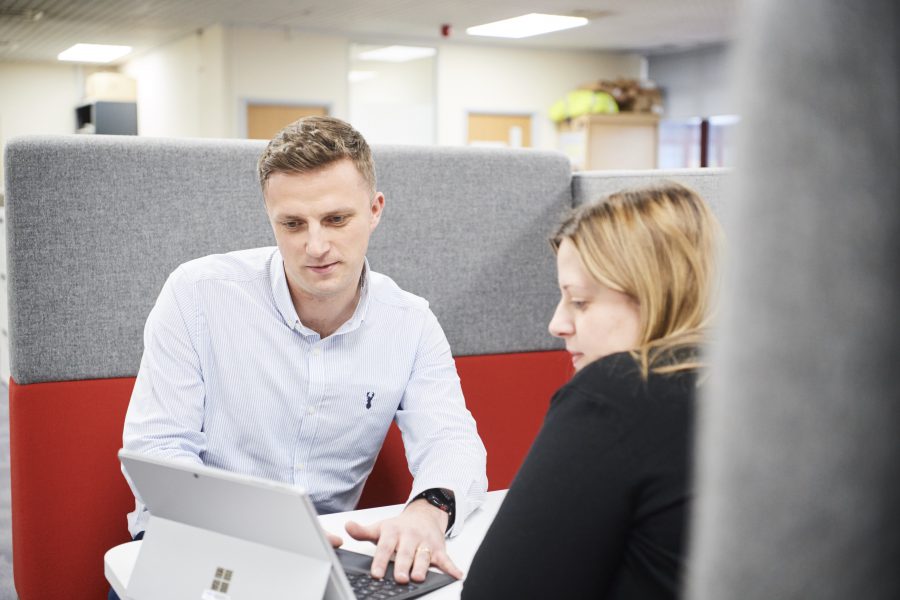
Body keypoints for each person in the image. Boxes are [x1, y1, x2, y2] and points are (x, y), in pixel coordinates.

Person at [117, 116, 487, 592]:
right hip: (200, 545)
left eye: (336, 219)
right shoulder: (198, 294)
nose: (316, 246)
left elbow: (452, 441)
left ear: (375, 210)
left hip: (320, 565)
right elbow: (158, 448)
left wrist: (429, 510)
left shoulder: (410, 322)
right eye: (292, 224)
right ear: (270, 217)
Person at [461, 183, 721, 599]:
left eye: (579, 301)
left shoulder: (620, 391)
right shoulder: (764, 390)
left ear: (656, 293)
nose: (557, 324)